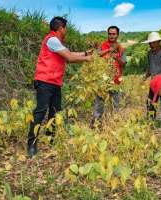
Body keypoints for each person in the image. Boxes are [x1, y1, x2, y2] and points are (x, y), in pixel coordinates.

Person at [27, 16, 92, 157]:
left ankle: (51, 140)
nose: (66, 31)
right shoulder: (52, 40)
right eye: (65, 28)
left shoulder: (57, 42)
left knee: (54, 112)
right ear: (61, 28)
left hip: (55, 83)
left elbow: (70, 54)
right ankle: (31, 146)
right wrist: (87, 59)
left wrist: (86, 53)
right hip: (44, 81)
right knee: (40, 112)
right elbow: (70, 58)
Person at [90, 26, 127, 128]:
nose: (111, 36)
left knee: (116, 104)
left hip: (116, 80)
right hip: (103, 79)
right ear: (108, 34)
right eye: (110, 34)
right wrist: (109, 50)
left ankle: (114, 126)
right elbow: (96, 56)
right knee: (99, 103)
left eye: (114, 34)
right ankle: (96, 125)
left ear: (117, 35)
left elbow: (124, 64)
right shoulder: (103, 45)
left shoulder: (121, 48)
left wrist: (117, 58)